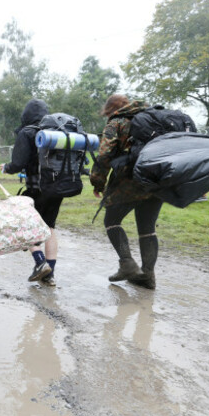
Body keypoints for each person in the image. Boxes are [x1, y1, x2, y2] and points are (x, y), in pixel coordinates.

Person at [90, 94, 161, 290]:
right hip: (156, 180)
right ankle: (148, 275)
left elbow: (105, 154)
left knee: (111, 221)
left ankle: (127, 264)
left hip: (129, 180)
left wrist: (98, 181)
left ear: (110, 109)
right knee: (147, 228)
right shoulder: (152, 118)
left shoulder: (117, 122)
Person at [0, 98, 59, 286]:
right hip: (58, 188)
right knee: (49, 227)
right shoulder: (55, 132)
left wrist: (6, 168)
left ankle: (41, 262)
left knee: (24, 225)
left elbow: (18, 163)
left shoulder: (27, 132)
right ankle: (50, 273)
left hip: (37, 188)